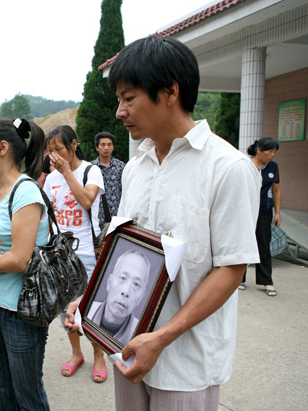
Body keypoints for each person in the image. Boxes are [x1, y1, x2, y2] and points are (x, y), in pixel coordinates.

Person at [65, 35, 260, 411]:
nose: (120, 111)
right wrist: (90, 301)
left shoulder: (228, 169)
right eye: (119, 99)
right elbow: (124, 249)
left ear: (169, 92)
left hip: (185, 361)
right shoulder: (135, 169)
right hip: (127, 347)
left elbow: (231, 270)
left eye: (129, 97)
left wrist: (162, 337)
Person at [0, 117, 50, 410]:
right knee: (3, 387)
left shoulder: (25, 191)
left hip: (22, 310)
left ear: (2, 148)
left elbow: (19, 258)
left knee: (27, 394)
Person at [43, 125, 108, 383]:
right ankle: (76, 353)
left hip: (87, 253)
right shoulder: (50, 179)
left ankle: (99, 356)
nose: (53, 156)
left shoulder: (91, 171)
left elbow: (87, 201)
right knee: (64, 309)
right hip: (61, 255)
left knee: (89, 307)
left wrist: (67, 172)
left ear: (73, 145)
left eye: (58, 149)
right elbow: (49, 215)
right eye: (49, 151)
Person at [239, 137, 281, 296]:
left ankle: (266, 281)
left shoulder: (273, 167)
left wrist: (277, 212)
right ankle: (240, 278)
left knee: (263, 245)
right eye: (270, 151)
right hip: (245, 211)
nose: (272, 155)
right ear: (259, 150)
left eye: (274, 152)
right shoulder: (245, 165)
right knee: (243, 243)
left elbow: (276, 190)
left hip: (264, 211)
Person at [87, 249, 151, 345]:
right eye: (122, 278)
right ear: (109, 283)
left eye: (136, 284)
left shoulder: (140, 337)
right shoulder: (86, 312)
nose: (126, 291)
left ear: (141, 297)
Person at [91, 132, 125, 229]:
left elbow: (125, 190)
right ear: (97, 147)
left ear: (113, 147)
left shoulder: (121, 166)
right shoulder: (91, 167)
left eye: (109, 144)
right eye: (103, 145)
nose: (106, 148)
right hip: (97, 215)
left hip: (117, 215)